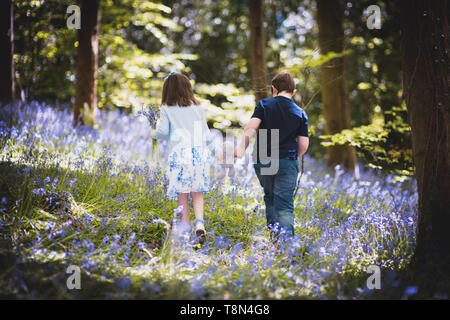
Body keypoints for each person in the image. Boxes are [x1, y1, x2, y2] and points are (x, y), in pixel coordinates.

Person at [234, 73, 309, 238]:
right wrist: (289, 158)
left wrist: (241, 148)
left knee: (270, 198)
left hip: (264, 159)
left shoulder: (264, 105)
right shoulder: (300, 113)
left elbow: (250, 128)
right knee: (284, 206)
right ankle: (286, 247)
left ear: (273, 89)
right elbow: (303, 145)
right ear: (293, 92)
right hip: (287, 161)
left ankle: (275, 241)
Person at [150, 72, 213, 244]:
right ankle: (200, 223)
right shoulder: (198, 108)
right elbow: (206, 134)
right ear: (188, 89)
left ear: (167, 91)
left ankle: (185, 232)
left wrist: (152, 133)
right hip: (199, 154)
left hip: (180, 156)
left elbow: (162, 132)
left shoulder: (167, 109)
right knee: (197, 192)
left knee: (182, 195)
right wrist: (214, 152)